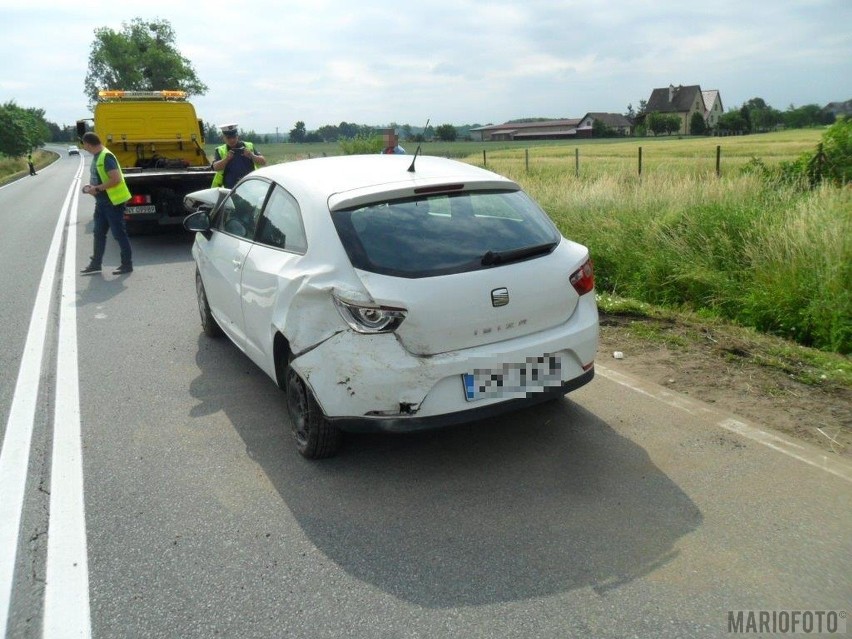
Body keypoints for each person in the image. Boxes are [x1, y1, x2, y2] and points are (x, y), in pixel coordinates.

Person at [79, 132, 134, 275]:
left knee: (118, 234)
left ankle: (127, 265)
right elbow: (101, 177)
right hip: (102, 202)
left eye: (84, 145)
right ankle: (96, 264)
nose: (84, 148)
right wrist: (92, 186)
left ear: (89, 144)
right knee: (98, 233)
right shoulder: (98, 157)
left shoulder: (106, 156)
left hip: (113, 202)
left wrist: (96, 188)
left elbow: (115, 179)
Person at [211, 124, 266, 188]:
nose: (232, 140)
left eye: (234, 137)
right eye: (228, 138)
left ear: (237, 136)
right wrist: (226, 159)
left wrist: (252, 155)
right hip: (229, 188)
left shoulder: (248, 146)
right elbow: (215, 168)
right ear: (223, 138)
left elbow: (263, 162)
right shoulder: (220, 150)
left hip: (250, 186)